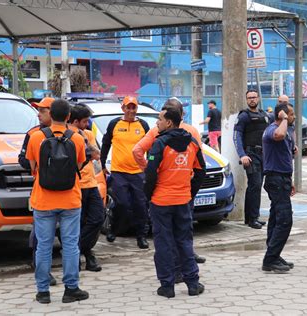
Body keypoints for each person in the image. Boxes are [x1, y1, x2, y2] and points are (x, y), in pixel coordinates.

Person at [26, 99, 89, 304]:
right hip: (70, 199)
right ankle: (71, 289)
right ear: (69, 117)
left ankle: (43, 292)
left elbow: (33, 167)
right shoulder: (77, 138)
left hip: (43, 199)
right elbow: (79, 165)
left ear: (50, 115)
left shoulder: (36, 137)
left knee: (43, 245)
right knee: (70, 245)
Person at [132, 98, 207, 265]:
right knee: (184, 232)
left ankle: (172, 271)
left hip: (162, 193)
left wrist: (151, 171)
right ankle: (187, 265)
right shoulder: (191, 132)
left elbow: (137, 151)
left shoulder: (156, 132)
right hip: (184, 191)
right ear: (182, 114)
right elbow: (200, 165)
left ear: (168, 120)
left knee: (165, 235)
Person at [144, 106, 206, 298]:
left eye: (160, 119)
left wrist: (149, 195)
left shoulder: (159, 144)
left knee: (163, 242)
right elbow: (201, 170)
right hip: (183, 201)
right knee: (184, 241)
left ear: (169, 122)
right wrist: (190, 192)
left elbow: (150, 174)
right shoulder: (192, 142)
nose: (157, 122)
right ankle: (193, 284)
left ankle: (167, 286)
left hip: (161, 201)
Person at [100, 96, 150, 249]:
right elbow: (106, 144)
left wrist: (151, 166)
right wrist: (102, 164)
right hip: (119, 172)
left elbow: (152, 146)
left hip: (138, 173)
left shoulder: (143, 125)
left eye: (133, 107)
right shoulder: (114, 124)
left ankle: (141, 236)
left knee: (140, 205)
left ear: (136, 109)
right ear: (123, 108)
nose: (130, 110)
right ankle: (114, 229)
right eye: (128, 107)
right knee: (122, 203)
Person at [18, 97, 57, 287]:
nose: (39, 114)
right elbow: (23, 160)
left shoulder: (68, 133)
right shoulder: (33, 134)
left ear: (53, 112)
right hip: (41, 190)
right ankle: (42, 270)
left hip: (67, 191)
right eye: (39, 110)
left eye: (43, 110)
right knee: (41, 234)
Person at [68, 105, 105, 272]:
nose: (87, 123)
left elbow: (96, 154)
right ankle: (84, 255)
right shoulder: (68, 135)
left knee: (97, 218)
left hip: (91, 183)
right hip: (77, 185)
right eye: (84, 121)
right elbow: (87, 154)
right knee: (79, 222)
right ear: (75, 121)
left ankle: (81, 250)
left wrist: (84, 138)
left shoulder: (87, 134)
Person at [261, 102, 296, 273]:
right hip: (275, 179)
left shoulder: (285, 130)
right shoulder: (272, 130)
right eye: (290, 114)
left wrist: (290, 181)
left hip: (282, 179)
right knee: (285, 220)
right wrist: (283, 119)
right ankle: (270, 259)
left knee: (275, 218)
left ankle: (273, 254)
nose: (293, 117)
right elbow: (279, 134)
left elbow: (286, 156)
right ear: (281, 115)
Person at [233, 89, 270, 229]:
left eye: (254, 97)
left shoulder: (264, 115)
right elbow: (236, 136)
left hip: (263, 155)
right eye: (249, 98)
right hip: (250, 155)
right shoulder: (243, 116)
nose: (252, 100)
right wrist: (242, 155)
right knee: (255, 184)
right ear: (246, 100)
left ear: (258, 98)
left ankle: (251, 217)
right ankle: (253, 218)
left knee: (256, 186)